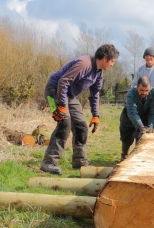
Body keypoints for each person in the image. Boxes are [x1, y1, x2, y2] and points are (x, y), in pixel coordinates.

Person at [40, 44, 120, 174]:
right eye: (112, 62)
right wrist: (60, 104)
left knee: (81, 126)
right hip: (55, 90)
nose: (112, 65)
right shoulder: (85, 64)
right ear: (105, 58)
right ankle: (48, 163)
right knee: (64, 123)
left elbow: (95, 94)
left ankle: (80, 163)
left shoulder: (99, 73)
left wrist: (96, 115)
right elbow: (63, 81)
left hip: (70, 95)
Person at [120, 76, 154, 161]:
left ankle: (138, 157)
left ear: (150, 88)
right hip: (128, 119)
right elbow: (132, 112)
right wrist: (140, 127)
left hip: (143, 118)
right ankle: (124, 155)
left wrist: (150, 127)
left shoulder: (153, 93)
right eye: (141, 90)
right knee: (126, 140)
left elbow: (153, 112)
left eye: (146, 91)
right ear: (137, 87)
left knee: (140, 138)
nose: (144, 93)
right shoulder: (131, 93)